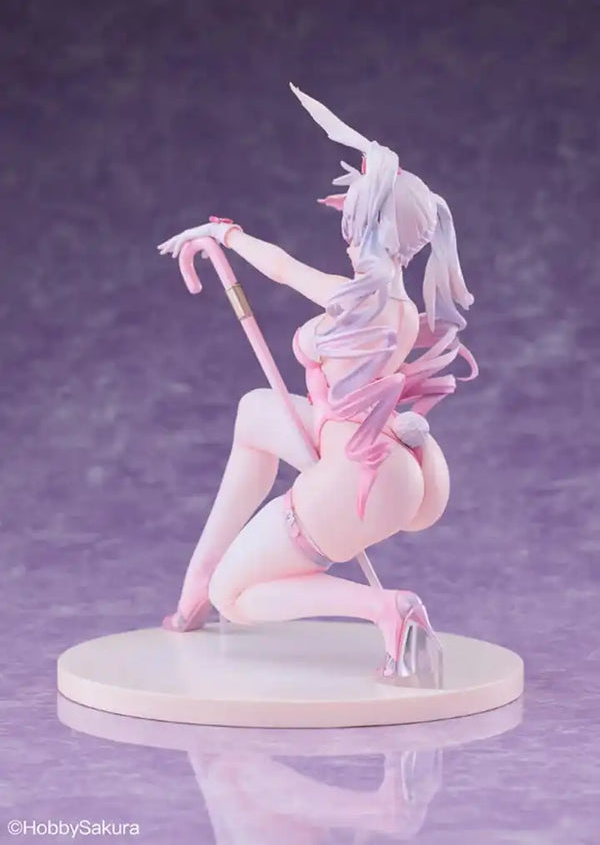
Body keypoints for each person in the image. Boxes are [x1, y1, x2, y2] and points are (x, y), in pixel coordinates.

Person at [155, 84, 478, 681]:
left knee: (237, 596)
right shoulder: (403, 311)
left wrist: (223, 235)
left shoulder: (351, 297)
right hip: (392, 457)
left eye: (352, 218)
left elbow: (281, 268)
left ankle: (386, 609)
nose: (345, 229)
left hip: (360, 474)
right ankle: (195, 582)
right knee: (255, 413)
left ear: (367, 228)